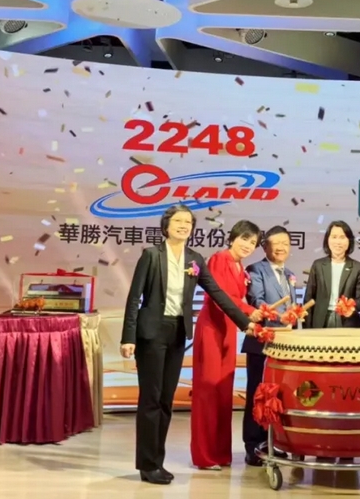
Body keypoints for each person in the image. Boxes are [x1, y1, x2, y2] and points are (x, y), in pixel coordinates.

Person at [120, 205, 256, 485]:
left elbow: (217, 292)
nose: (183, 226)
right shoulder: (151, 255)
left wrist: (245, 323)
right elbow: (134, 298)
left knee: (166, 400)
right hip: (151, 333)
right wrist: (128, 337)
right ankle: (147, 464)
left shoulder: (194, 259)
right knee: (151, 399)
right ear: (166, 225)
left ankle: (157, 462)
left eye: (188, 222)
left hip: (178, 332)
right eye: (178, 221)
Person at [190, 220, 263, 470]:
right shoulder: (219, 259)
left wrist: (253, 311)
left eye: (253, 242)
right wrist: (247, 314)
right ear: (232, 238)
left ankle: (220, 453)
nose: (248, 245)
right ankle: (204, 456)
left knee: (223, 392)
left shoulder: (240, 267)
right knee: (208, 391)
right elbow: (219, 296)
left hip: (229, 329)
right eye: (244, 239)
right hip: (212, 328)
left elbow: (237, 299)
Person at [242, 225, 296, 466]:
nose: (281, 247)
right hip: (261, 343)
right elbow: (257, 301)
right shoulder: (255, 270)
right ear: (264, 247)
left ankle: (270, 442)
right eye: (276, 243)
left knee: (276, 396)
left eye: (285, 243)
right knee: (257, 395)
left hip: (283, 345)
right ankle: (253, 445)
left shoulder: (289, 274)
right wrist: (281, 317)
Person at [303, 220, 360, 328]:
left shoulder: (358, 268)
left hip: (347, 322)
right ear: (327, 240)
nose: (338, 242)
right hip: (321, 321)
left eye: (342, 237)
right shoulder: (318, 265)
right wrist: (307, 328)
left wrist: (352, 307)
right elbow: (308, 298)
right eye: (334, 237)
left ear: (349, 241)